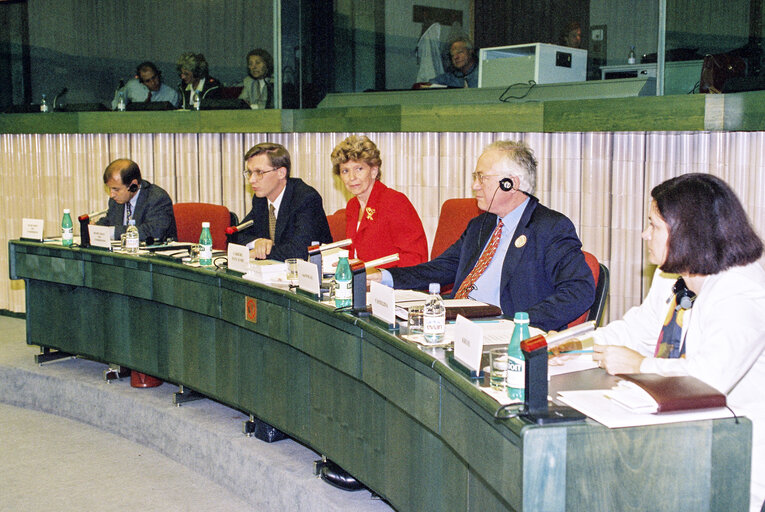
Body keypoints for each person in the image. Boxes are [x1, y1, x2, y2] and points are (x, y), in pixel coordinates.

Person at [591, 173, 765, 512]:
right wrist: (570, 345)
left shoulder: (743, 291)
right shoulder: (674, 272)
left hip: (735, 446)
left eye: (653, 225)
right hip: (678, 427)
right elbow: (638, 330)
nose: (644, 234)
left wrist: (639, 365)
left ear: (689, 232)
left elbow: (707, 379)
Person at [369, 140, 595, 332]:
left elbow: (579, 291)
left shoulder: (550, 227)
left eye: (482, 177)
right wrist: (385, 277)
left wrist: (518, 325)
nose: (474, 185)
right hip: (457, 321)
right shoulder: (481, 224)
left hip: (500, 331)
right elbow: (441, 268)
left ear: (510, 184)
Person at [330, 135, 428, 268]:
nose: (352, 177)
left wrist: (378, 273)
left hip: (390, 283)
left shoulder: (395, 202)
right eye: (345, 171)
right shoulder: (352, 206)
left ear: (373, 171)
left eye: (359, 169)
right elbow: (355, 255)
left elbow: (416, 258)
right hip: (362, 283)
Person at [231, 142, 332, 261]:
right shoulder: (261, 199)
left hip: (312, 274)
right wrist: (257, 243)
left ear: (281, 173)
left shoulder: (305, 198)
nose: (251, 180)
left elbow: (299, 251)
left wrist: (257, 253)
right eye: (249, 172)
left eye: (259, 173)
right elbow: (237, 234)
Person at [96, 158, 177, 242]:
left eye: (116, 189)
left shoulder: (157, 198)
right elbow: (109, 221)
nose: (112, 194)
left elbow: (154, 232)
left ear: (133, 185)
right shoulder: (116, 200)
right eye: (110, 189)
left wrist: (113, 232)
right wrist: (95, 229)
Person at [111, 61, 180, 110]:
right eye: (148, 81)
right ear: (142, 82)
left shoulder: (172, 94)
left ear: (159, 75)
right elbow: (117, 103)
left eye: (154, 77)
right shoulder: (132, 86)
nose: (153, 83)